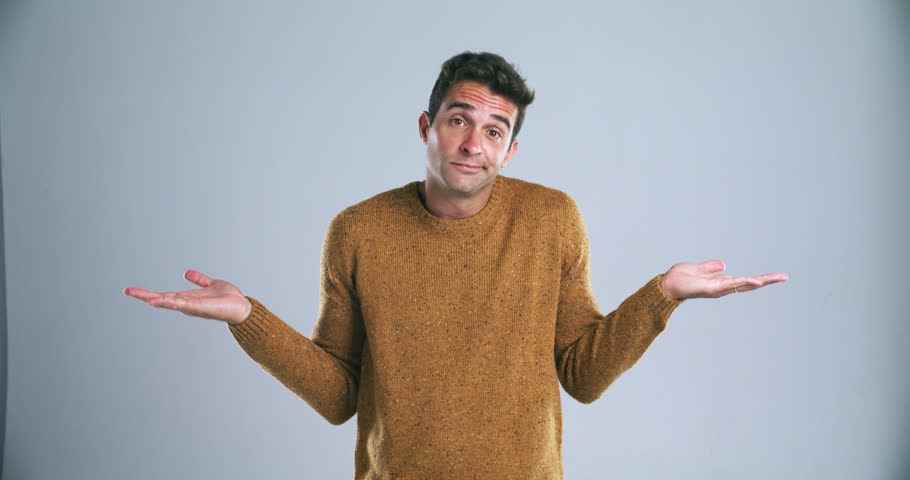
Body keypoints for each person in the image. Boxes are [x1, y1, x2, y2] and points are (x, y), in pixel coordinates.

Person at [123, 51, 787, 479]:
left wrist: (662, 294)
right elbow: (339, 396)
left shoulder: (552, 218)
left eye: (494, 131)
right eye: (458, 121)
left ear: (510, 150)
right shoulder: (358, 230)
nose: (473, 143)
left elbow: (582, 376)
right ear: (426, 126)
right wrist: (248, 317)